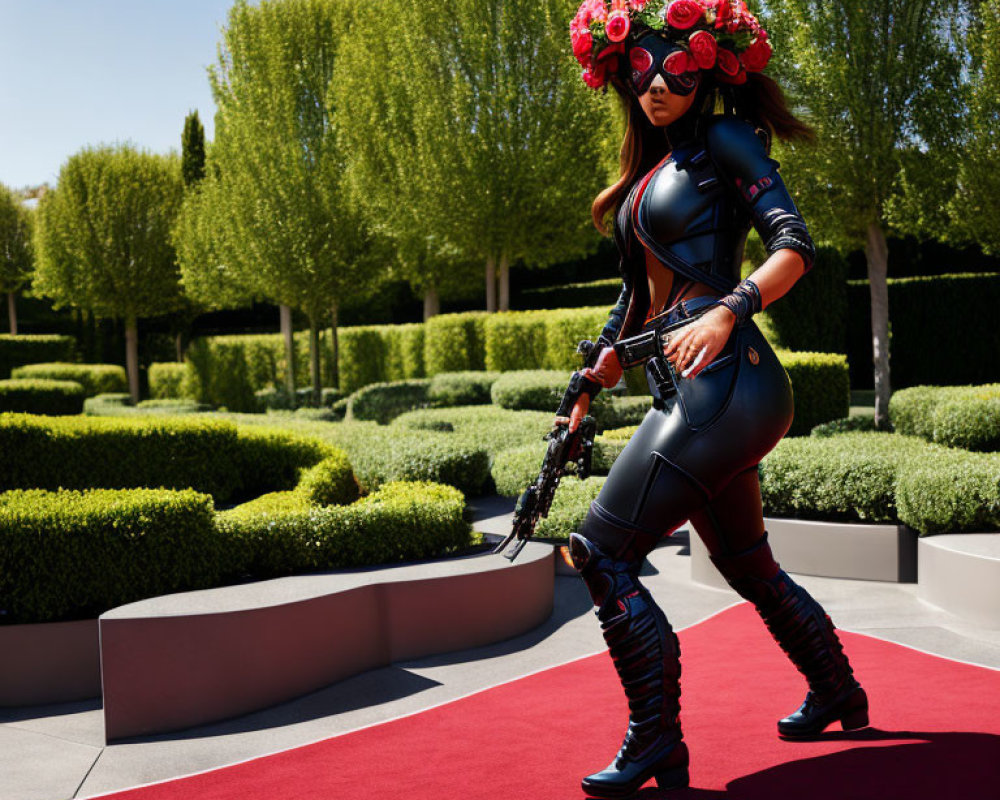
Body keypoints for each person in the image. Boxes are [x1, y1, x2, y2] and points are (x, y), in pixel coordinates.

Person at [560, 1, 869, 797]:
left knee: (600, 551)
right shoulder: (647, 174)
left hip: (729, 384)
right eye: (643, 67)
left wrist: (732, 309)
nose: (658, 80)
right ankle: (839, 691)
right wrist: (592, 377)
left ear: (709, 69)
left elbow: (792, 244)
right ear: (622, 72)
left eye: (677, 67)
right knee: (745, 561)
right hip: (695, 390)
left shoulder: (724, 141)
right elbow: (635, 300)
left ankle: (656, 739)